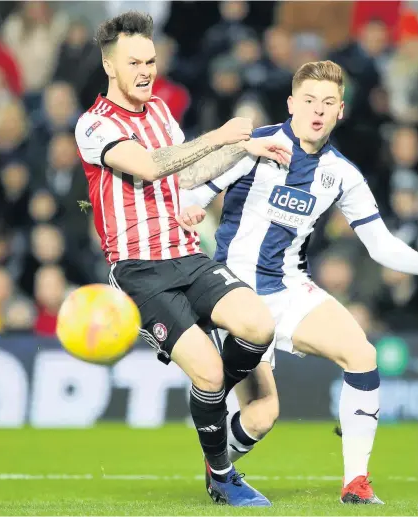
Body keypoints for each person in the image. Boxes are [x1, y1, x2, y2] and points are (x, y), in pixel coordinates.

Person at [74, 10, 292, 507]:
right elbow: (150, 167)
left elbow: (186, 177)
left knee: (258, 326)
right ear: (111, 67)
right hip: (139, 272)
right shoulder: (94, 125)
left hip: (185, 254)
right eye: (134, 62)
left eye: (151, 60)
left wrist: (248, 150)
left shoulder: (160, 114)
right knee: (211, 373)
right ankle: (221, 474)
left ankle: (208, 394)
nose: (146, 71)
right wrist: (221, 133)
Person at [178, 60, 418, 505]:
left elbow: (381, 245)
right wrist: (192, 207)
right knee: (263, 414)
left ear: (340, 111)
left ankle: (356, 484)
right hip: (233, 294)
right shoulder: (255, 146)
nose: (318, 110)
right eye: (309, 100)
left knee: (362, 354)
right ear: (291, 103)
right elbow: (194, 191)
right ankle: (220, 469)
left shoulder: (341, 172)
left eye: (328, 103)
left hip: (287, 287)